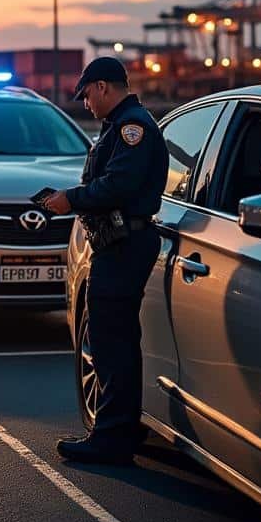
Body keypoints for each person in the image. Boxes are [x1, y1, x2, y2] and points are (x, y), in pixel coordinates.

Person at [42, 56, 165, 466]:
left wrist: (70, 200)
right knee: (115, 342)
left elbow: (118, 185)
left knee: (114, 345)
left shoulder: (133, 129)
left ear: (102, 87)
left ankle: (111, 439)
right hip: (116, 244)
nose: (86, 104)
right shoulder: (119, 126)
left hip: (124, 246)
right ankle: (118, 430)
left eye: (87, 95)